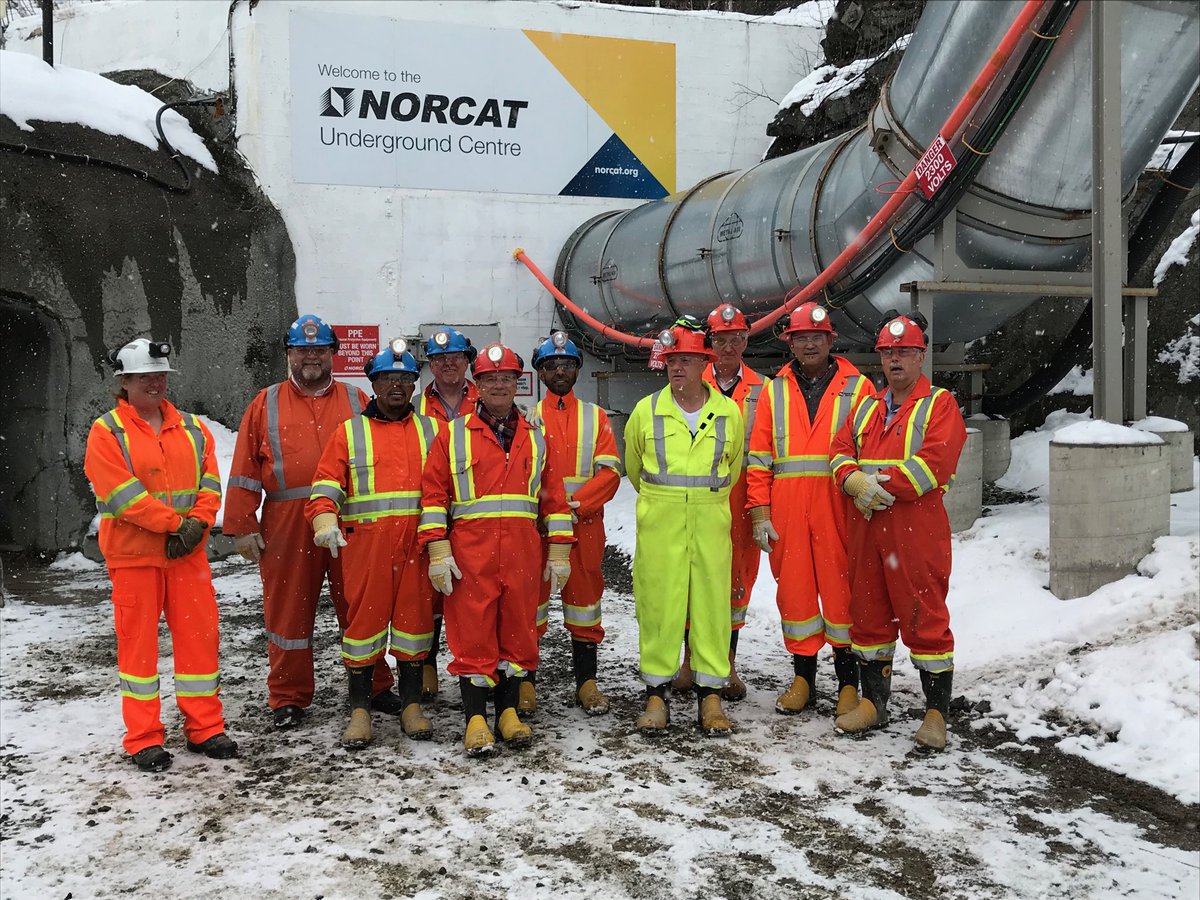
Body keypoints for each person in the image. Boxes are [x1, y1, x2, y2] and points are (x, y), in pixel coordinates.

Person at [225, 314, 396, 731]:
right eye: (303, 350)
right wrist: (243, 524)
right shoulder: (263, 404)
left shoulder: (358, 401)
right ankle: (288, 695)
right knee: (287, 614)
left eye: (319, 349)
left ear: (333, 354)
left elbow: (387, 453)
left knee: (360, 605)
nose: (311, 357)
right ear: (290, 354)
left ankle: (375, 685)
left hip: (349, 519)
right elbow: (245, 468)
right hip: (286, 522)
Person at [84, 338, 237, 772]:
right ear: (124, 382)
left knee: (199, 643)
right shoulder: (107, 431)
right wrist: (177, 526)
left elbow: (210, 483)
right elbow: (121, 496)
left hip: (186, 556)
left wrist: (197, 526)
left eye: (160, 376)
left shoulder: (191, 427)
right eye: (144, 377)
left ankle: (205, 728)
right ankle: (144, 738)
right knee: (138, 651)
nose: (155, 383)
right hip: (135, 559)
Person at [419, 342, 575, 756]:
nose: (499, 386)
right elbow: (433, 497)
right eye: (490, 380)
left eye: (506, 378)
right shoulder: (451, 437)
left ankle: (507, 713)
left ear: (517, 384)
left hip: (523, 556)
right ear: (478, 386)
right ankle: (475, 719)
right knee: (473, 635)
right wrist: (437, 548)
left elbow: (554, 502)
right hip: (470, 557)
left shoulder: (536, 440)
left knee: (518, 634)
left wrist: (559, 550)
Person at [829, 312, 966, 751]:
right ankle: (874, 702)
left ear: (921, 356)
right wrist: (850, 478)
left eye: (904, 352)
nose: (895, 360)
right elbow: (838, 451)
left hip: (914, 530)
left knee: (924, 614)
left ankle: (935, 713)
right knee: (867, 614)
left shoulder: (938, 404)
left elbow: (935, 463)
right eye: (888, 352)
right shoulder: (866, 407)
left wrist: (876, 486)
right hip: (867, 529)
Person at [306, 339, 439, 748]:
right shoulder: (350, 432)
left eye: (404, 379)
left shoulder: (434, 430)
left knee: (415, 627)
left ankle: (412, 705)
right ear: (373, 384)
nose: (396, 386)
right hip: (366, 548)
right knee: (363, 627)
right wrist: (325, 514)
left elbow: (450, 486)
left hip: (417, 545)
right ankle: (360, 711)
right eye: (387, 379)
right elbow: (326, 483)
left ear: (415, 385)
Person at [746, 302, 871, 718]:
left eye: (817, 337)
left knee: (843, 595)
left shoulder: (859, 387)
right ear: (792, 344)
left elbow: (868, 452)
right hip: (788, 511)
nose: (810, 343)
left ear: (831, 340)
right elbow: (760, 457)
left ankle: (848, 685)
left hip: (841, 508)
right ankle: (804, 679)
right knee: (795, 595)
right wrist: (759, 511)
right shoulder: (774, 390)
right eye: (802, 338)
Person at [624, 319, 744, 737]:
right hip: (661, 520)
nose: (678, 368)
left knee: (711, 605)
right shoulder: (645, 411)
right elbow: (634, 467)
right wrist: (666, 501)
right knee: (658, 605)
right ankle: (656, 693)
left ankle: (710, 695)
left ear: (703, 364)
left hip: (711, 519)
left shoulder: (728, 413)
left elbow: (733, 467)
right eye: (673, 361)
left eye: (688, 360)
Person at [672, 304, 769, 701]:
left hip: (743, 500)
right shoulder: (690, 379)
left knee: (735, 585)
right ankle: (690, 660)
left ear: (746, 340)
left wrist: (763, 504)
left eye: (736, 338)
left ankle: (725, 663)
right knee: (691, 579)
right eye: (721, 338)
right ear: (709, 343)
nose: (728, 345)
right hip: (699, 499)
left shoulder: (764, 389)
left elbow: (769, 449)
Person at [525, 331, 621, 716]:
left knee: (585, 603)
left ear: (577, 371)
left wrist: (576, 506)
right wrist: (550, 512)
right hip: (539, 530)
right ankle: (525, 684)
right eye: (551, 366)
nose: (559, 371)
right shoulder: (528, 419)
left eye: (566, 365)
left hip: (584, 524)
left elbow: (610, 471)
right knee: (530, 606)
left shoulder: (595, 417)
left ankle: (587, 683)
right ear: (541, 374)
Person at [413, 326, 480, 700]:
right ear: (430, 365)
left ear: (468, 361)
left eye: (455, 357)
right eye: (439, 359)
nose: (448, 364)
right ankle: (428, 665)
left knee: (475, 593)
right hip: (433, 509)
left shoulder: (485, 398)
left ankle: (477, 668)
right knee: (430, 596)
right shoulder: (416, 407)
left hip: (475, 514)